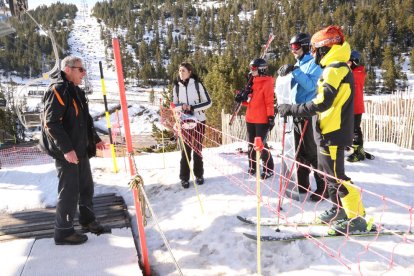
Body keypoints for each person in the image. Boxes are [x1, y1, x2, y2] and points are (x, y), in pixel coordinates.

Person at [278, 26, 367, 234]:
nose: (312, 54)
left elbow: (321, 102)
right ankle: (340, 210)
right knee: (330, 176)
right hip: (327, 130)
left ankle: (357, 218)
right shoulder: (332, 68)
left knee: (337, 177)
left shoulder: (335, 69)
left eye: (314, 50)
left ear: (324, 50)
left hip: (334, 132)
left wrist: (290, 109)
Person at [40, 56, 108, 245]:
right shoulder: (58, 90)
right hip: (67, 152)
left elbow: (85, 119)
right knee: (69, 190)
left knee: (86, 187)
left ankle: (87, 221)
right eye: (80, 69)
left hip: (80, 149)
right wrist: (67, 150)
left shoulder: (75, 90)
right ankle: (63, 232)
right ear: (68, 70)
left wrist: (94, 139)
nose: (84, 73)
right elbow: (51, 123)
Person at [277, 33, 327, 201]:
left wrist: (295, 71)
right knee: (299, 152)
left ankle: (323, 187)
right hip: (296, 112)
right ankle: (303, 184)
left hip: (310, 112)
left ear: (305, 47)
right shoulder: (299, 64)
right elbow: (293, 86)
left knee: (312, 152)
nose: (293, 50)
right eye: (291, 47)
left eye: (296, 47)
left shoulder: (314, 64)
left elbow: (311, 85)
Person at [173, 62, 212, 189]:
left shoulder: (197, 84)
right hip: (184, 122)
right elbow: (174, 106)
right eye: (179, 70)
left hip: (199, 121)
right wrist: (182, 107)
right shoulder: (176, 87)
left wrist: (193, 107)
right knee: (185, 150)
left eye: (183, 70)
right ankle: (184, 178)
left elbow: (208, 102)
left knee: (197, 149)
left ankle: (199, 175)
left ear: (189, 71)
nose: (181, 72)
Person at [235, 58, 275, 179]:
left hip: (261, 119)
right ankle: (253, 166)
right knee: (250, 144)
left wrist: (270, 117)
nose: (251, 71)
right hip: (250, 118)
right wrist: (241, 99)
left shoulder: (267, 82)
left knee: (261, 145)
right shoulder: (252, 81)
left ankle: (268, 168)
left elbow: (269, 101)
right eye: (251, 68)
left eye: (254, 68)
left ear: (261, 70)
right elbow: (250, 101)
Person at [346, 50, 367, 162]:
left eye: (347, 61)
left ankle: (359, 152)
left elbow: (349, 76)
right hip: (348, 106)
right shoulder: (351, 72)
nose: (345, 63)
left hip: (356, 106)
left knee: (355, 129)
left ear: (354, 61)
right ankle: (350, 146)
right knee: (346, 128)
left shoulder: (359, 72)